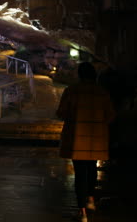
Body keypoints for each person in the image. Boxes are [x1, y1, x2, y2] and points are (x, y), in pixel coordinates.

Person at [56, 62, 115, 222]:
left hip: (77, 137)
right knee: (91, 169)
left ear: (80, 75)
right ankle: (90, 200)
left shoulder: (72, 91)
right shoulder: (102, 92)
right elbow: (110, 116)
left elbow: (61, 112)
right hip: (96, 137)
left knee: (80, 173)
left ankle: (82, 212)